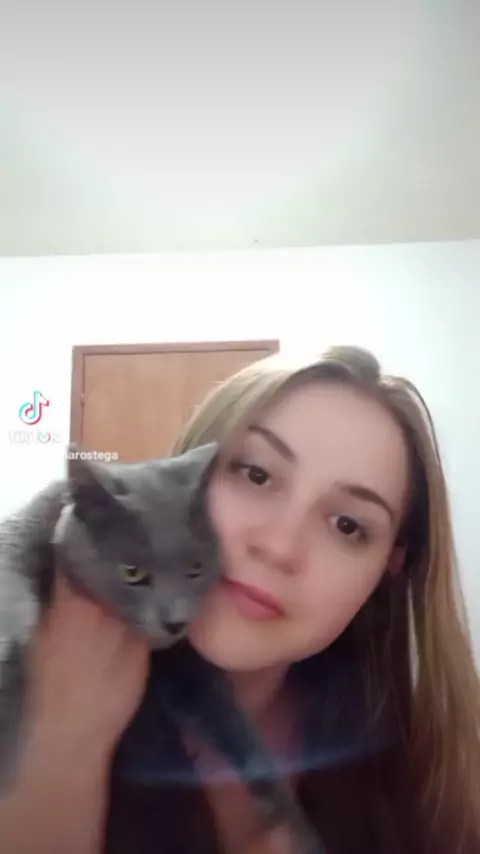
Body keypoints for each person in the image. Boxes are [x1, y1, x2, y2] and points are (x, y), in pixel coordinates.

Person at [0, 345, 479, 854]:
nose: (278, 546)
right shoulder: (25, 649)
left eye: (347, 525)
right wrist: (58, 759)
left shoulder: (429, 766)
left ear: (390, 567)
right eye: (256, 474)